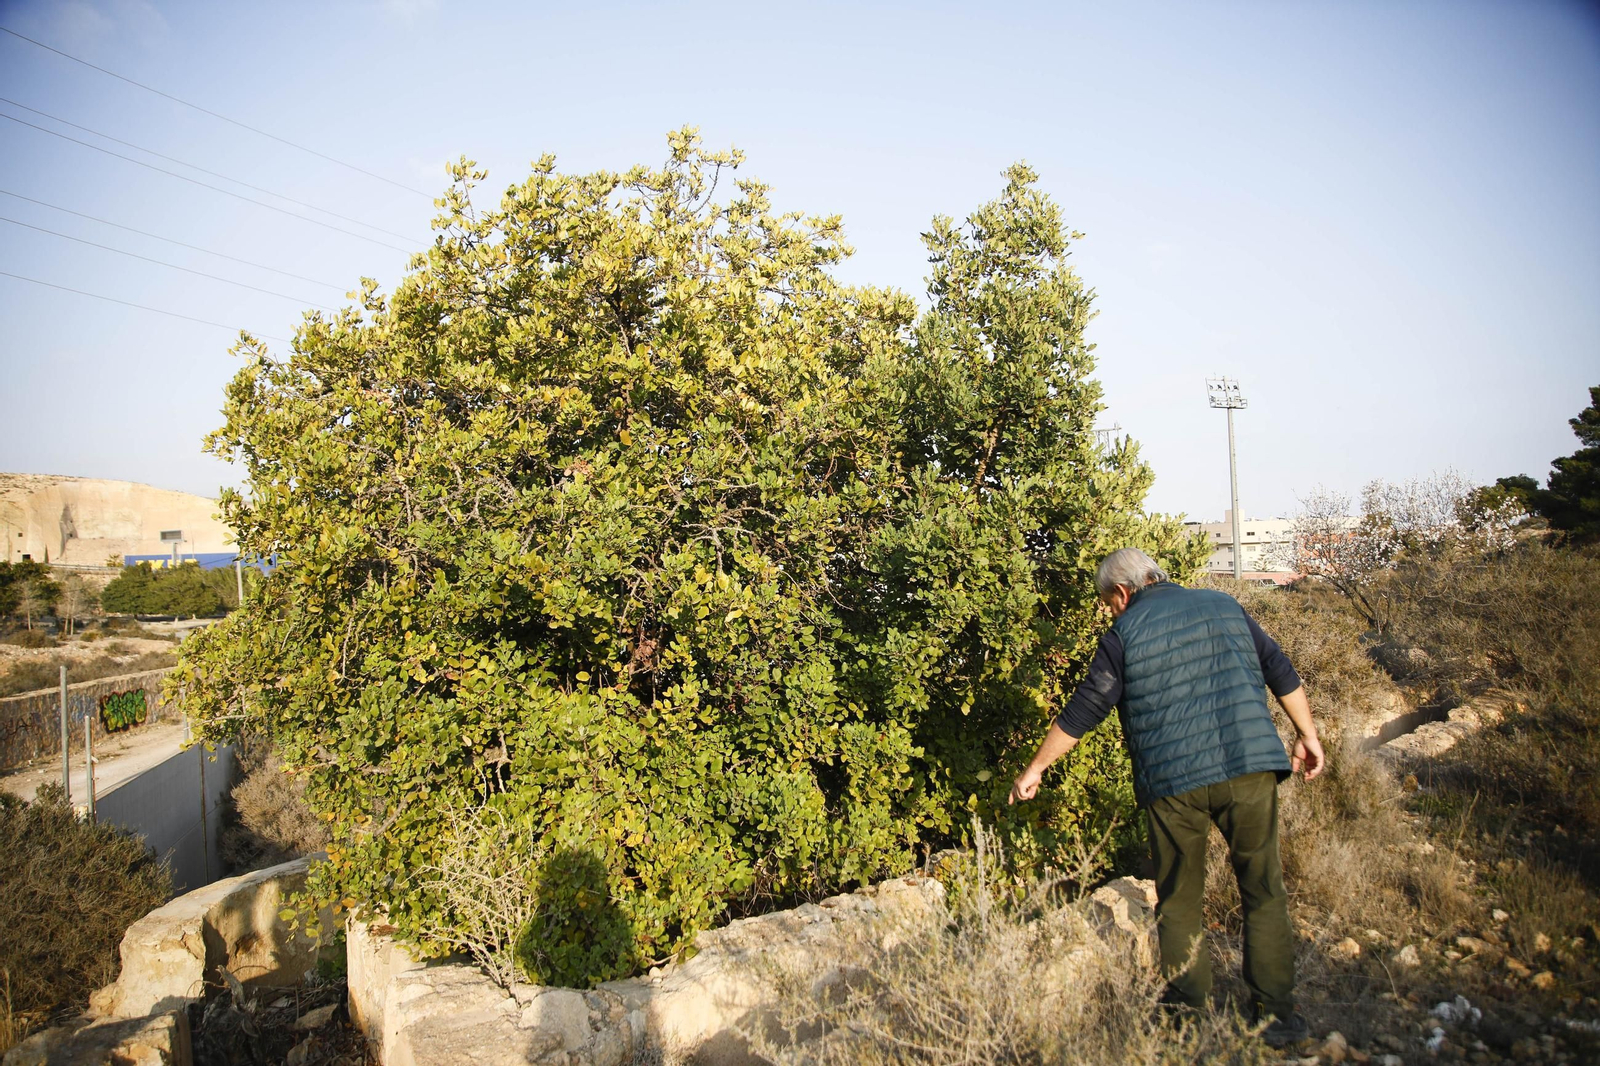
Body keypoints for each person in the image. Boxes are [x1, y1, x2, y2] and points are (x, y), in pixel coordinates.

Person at [1008, 547, 1324, 1049]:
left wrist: (1037, 767)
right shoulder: (1226, 605)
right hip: (1250, 766)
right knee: (1264, 889)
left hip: (1173, 781)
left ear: (1123, 592)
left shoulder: (1124, 634)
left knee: (1179, 900)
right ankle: (1277, 1019)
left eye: (1108, 602)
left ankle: (1187, 1023)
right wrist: (1307, 734)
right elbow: (1280, 670)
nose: (1110, 611)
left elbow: (1087, 706)